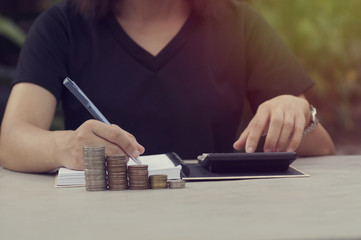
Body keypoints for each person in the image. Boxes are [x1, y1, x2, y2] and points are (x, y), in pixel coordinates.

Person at [0, 0, 335, 173]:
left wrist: (300, 112)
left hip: (218, 218)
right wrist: (65, 147)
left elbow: (321, 148)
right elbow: (12, 139)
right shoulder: (61, 27)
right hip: (99, 220)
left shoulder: (240, 23)